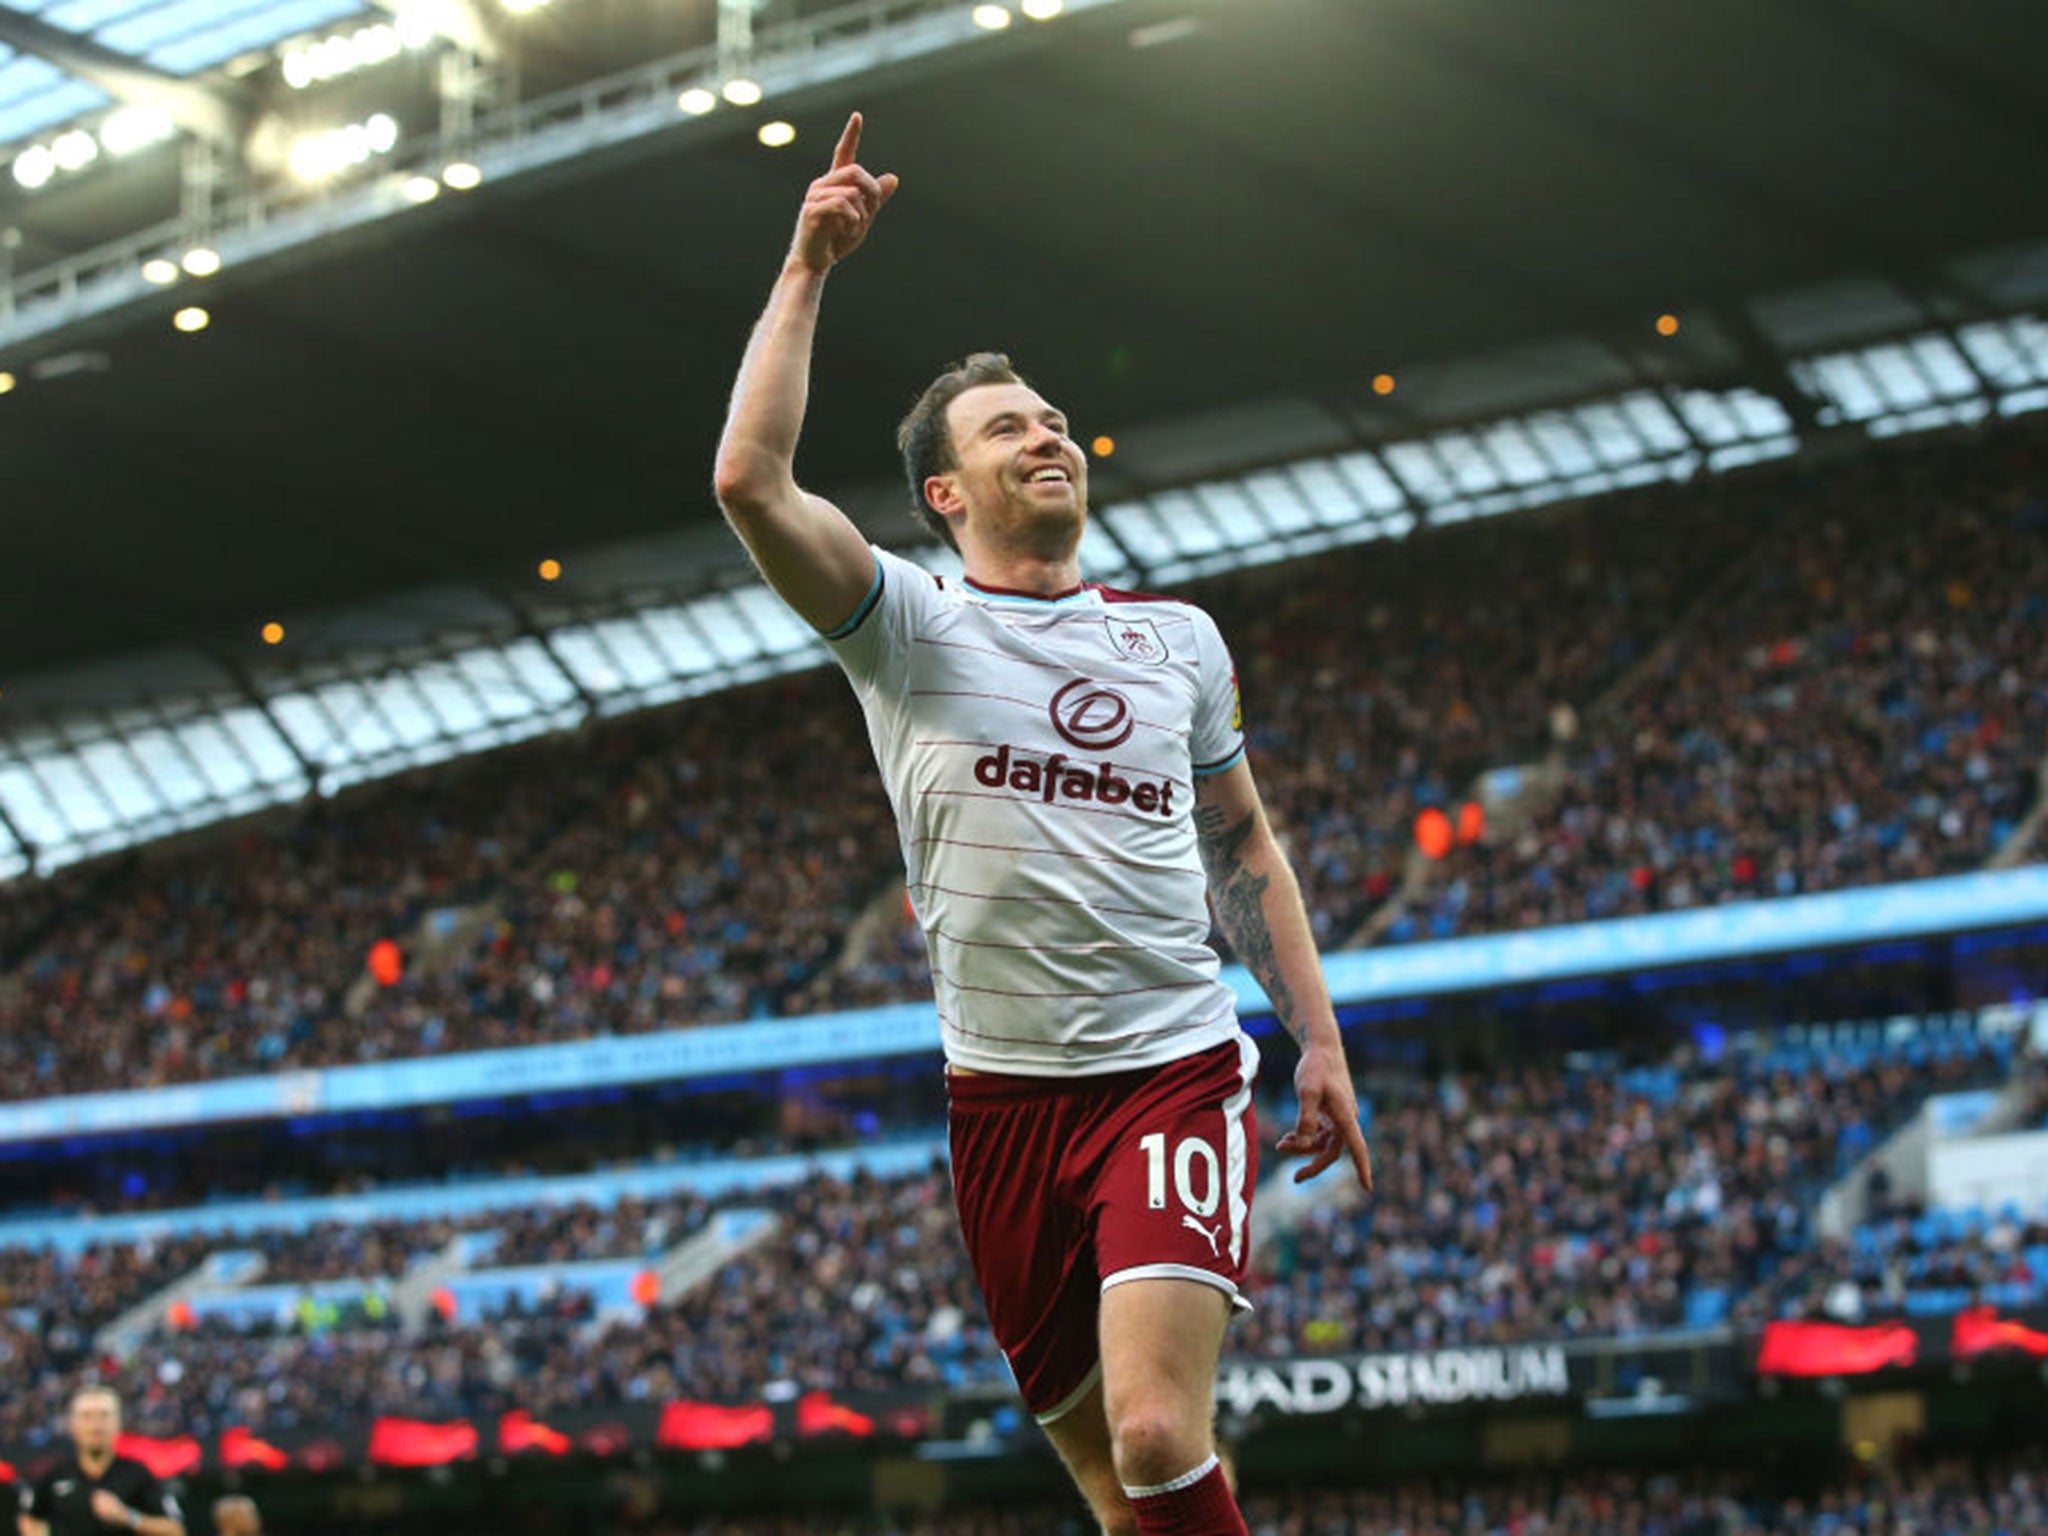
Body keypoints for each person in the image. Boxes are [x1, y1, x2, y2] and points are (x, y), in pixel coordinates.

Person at [713, 114, 1372, 1536]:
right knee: (1118, 1486)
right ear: (944, 495)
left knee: (1149, 1433)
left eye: (1056, 418)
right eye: (1010, 425)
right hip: (1000, 1105)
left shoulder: (1179, 642)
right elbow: (749, 483)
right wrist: (804, 266)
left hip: (1169, 1072)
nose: (1049, 433)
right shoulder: (906, 625)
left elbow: (1243, 847)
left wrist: (1314, 1036)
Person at [17, 1387, 184, 1536]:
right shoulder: (55, 1475)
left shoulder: (138, 1474)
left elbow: (175, 1529)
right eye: (86, 1416)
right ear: (72, 1424)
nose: (96, 1426)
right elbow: (30, 1518)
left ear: (118, 1423)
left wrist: (129, 1517)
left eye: (104, 1416)